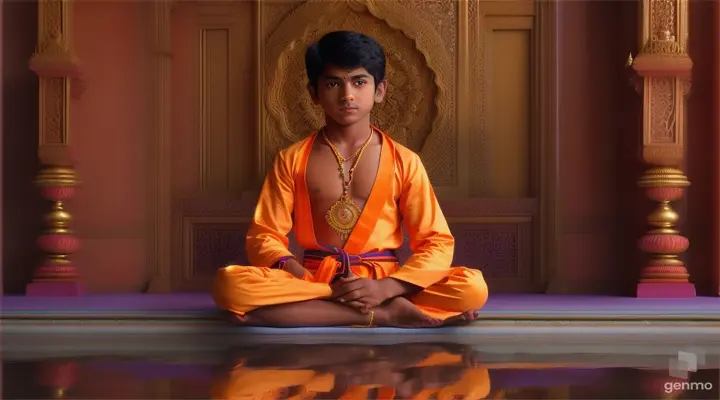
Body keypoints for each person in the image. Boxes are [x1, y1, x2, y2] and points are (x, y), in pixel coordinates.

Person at [212, 30, 489, 328]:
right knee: (231, 285)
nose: (347, 95)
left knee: (471, 287)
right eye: (333, 83)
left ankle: (333, 308)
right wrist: (298, 274)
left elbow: (436, 241)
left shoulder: (405, 161)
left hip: (384, 281)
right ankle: (384, 314)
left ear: (379, 91)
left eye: (359, 82)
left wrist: (386, 288)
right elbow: (264, 235)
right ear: (314, 93)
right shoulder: (291, 159)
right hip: (315, 279)